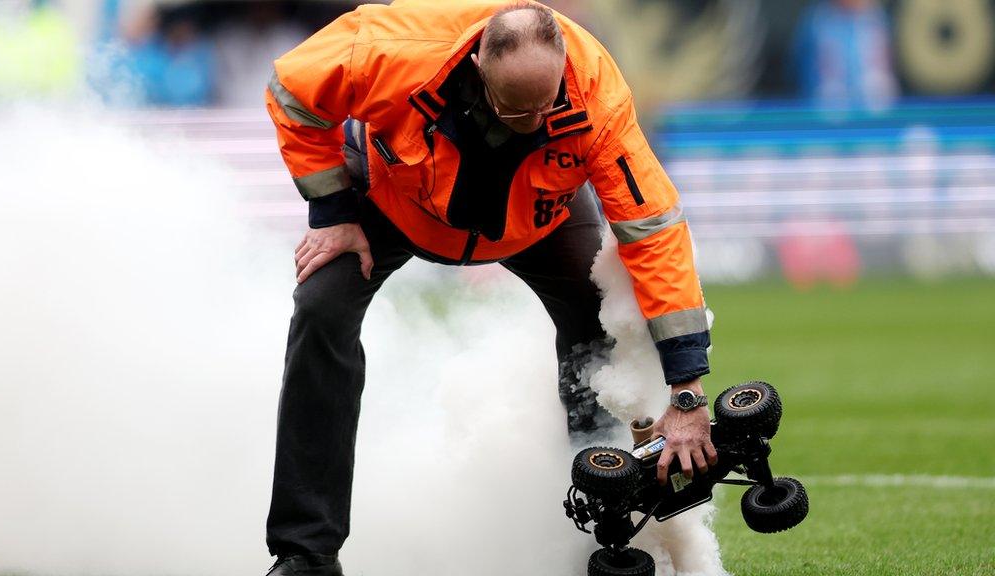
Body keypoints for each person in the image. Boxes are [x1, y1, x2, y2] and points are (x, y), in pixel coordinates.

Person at [264, 2, 714, 575]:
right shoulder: (394, 48)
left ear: (563, 74)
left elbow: (653, 230)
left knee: (598, 323)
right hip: (390, 197)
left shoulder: (599, 95)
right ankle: (306, 552)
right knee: (319, 309)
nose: (529, 122)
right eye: (511, 107)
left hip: (538, 218)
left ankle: (604, 529)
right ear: (478, 63)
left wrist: (688, 390)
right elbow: (290, 89)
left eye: (543, 107)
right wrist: (331, 212)